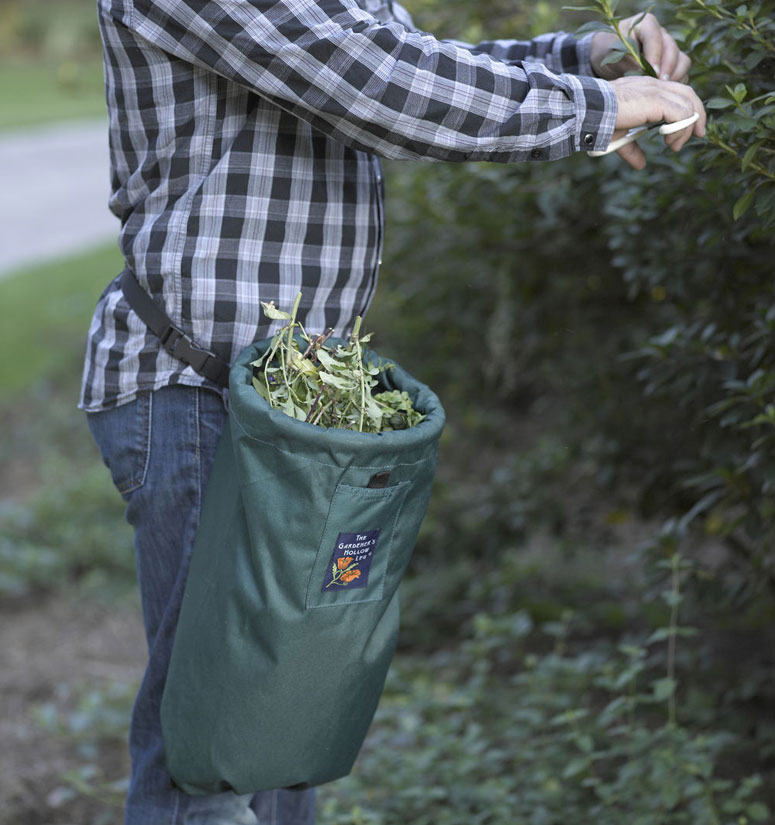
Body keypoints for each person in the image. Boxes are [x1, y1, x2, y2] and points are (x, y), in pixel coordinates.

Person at [80, 0, 705, 822]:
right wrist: (600, 111)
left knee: (280, 733)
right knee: (214, 754)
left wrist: (581, 58)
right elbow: (373, 83)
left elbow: (399, 53)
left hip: (299, 415)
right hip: (201, 395)